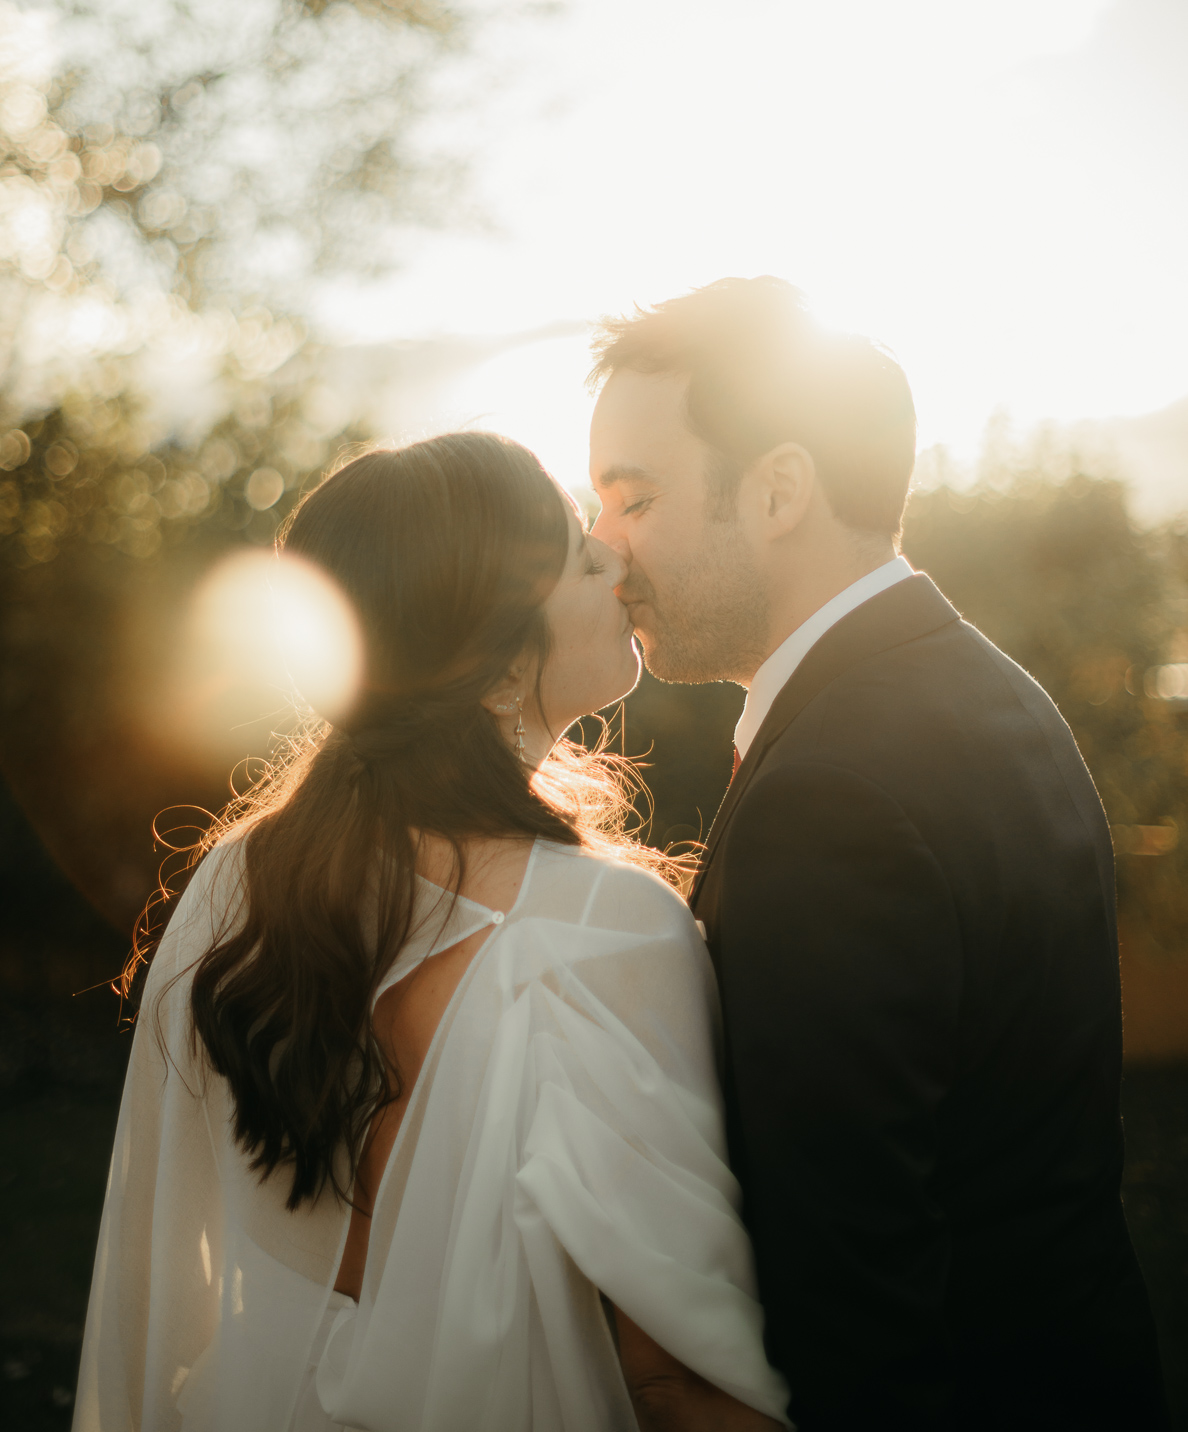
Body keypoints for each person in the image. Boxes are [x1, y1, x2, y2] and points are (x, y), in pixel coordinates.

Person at [73, 433, 789, 1432]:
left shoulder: (242, 879)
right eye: (584, 556)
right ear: (494, 648)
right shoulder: (606, 931)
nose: (617, 558)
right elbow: (679, 1376)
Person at [588, 276, 1170, 1432]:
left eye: (635, 499)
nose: (605, 552)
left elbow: (849, 1280)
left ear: (780, 490)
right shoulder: (991, 693)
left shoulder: (833, 796)